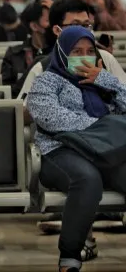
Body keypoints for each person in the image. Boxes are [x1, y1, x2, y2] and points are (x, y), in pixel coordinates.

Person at [26, 26, 126, 272]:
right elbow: (49, 117)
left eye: (90, 51)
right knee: (87, 180)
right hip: (60, 150)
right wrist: (102, 127)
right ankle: (70, 258)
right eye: (76, 51)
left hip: (105, 151)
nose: (84, 56)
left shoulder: (104, 83)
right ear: (62, 53)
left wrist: (106, 81)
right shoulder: (47, 81)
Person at [1, 0, 51, 98]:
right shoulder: (14, 54)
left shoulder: (60, 52)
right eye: (49, 20)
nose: (54, 26)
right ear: (34, 26)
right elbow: (7, 93)